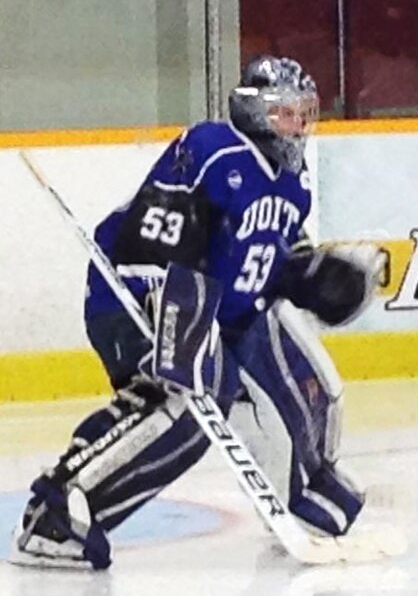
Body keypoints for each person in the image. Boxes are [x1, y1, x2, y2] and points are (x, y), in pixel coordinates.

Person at [11, 55, 384, 570]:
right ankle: (55, 512)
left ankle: (302, 489)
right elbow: (154, 240)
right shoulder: (213, 150)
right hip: (137, 298)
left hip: (224, 320)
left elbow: (272, 268)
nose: (297, 127)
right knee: (185, 406)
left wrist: (316, 277)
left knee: (299, 368)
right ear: (254, 112)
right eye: (284, 114)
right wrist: (176, 313)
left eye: (303, 114)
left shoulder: (293, 185)